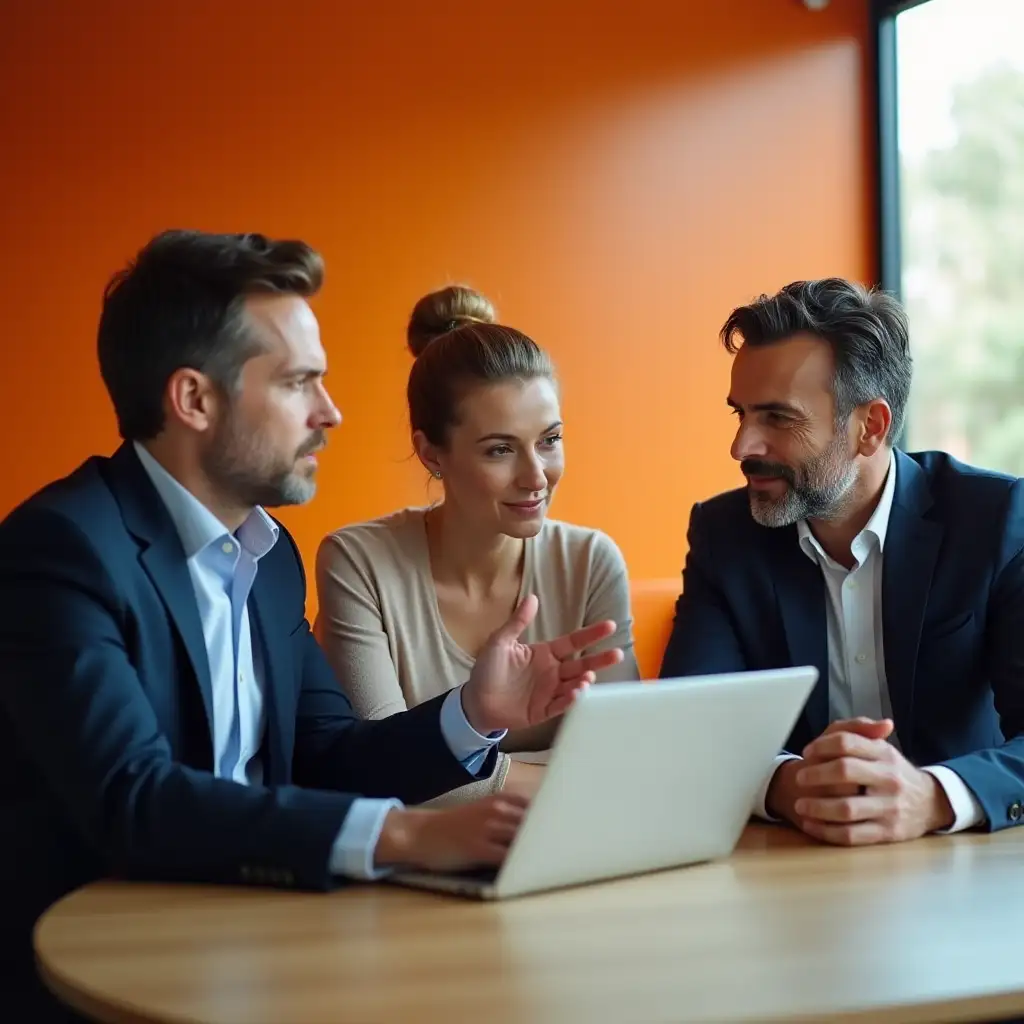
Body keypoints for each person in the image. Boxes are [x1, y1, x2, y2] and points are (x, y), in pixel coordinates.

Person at [0, 232, 623, 1021]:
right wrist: (403, 837)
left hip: (260, 934)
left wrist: (475, 713)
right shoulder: (62, 549)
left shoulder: (268, 556)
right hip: (97, 971)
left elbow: (328, 755)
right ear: (194, 399)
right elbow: (134, 798)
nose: (332, 412)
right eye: (300, 383)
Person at [659, 277, 1024, 847]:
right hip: (790, 873)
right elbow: (687, 727)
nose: (742, 447)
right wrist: (789, 784)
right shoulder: (725, 535)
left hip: (965, 868)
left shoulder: (996, 521)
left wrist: (933, 797)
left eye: (777, 418)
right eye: (740, 415)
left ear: (870, 427)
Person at [314, 285, 639, 804]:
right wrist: (578, 787)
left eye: (550, 440)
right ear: (431, 454)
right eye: (500, 450)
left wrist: (466, 774)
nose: (537, 477)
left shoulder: (590, 561)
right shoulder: (359, 563)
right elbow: (384, 772)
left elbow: (629, 753)